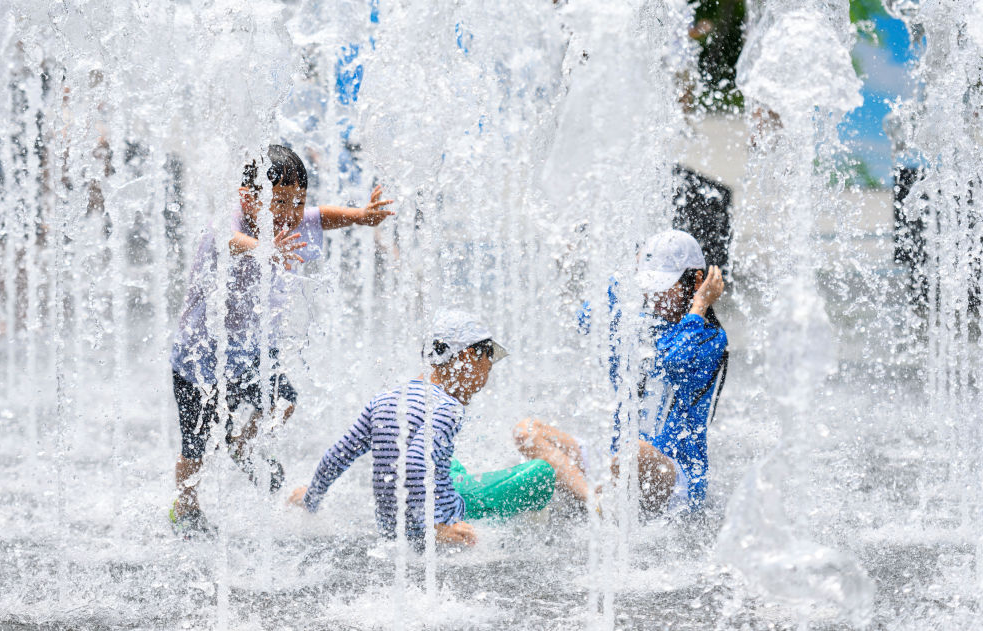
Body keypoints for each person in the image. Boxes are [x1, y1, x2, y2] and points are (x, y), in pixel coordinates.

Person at [169, 144, 394, 538]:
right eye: (281, 201)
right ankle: (185, 506)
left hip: (252, 348)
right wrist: (265, 248)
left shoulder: (289, 219)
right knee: (197, 442)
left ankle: (242, 444)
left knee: (283, 401)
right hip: (199, 356)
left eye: (298, 200)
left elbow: (322, 217)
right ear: (248, 197)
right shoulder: (228, 223)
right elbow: (227, 239)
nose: (292, 212)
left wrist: (360, 216)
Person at [514, 230, 728, 514]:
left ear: (697, 282)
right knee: (527, 431)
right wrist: (628, 272)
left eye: (666, 286)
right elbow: (587, 319)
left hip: (676, 476)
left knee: (634, 452)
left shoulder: (710, 338)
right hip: (618, 458)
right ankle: (595, 501)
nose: (656, 295)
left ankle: (596, 495)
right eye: (650, 285)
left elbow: (674, 360)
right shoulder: (637, 320)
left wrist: (700, 306)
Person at [289, 310, 516, 547]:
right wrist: (438, 528)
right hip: (441, 525)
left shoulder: (385, 400)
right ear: (470, 357)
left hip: (393, 528)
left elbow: (338, 454)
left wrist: (310, 499)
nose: (485, 379)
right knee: (540, 474)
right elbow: (416, 461)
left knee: (449, 464)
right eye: (487, 367)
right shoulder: (447, 407)